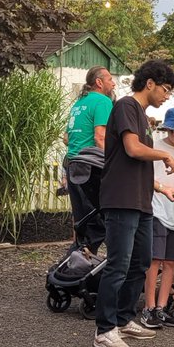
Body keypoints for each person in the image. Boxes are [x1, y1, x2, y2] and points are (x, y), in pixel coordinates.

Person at [92, 60, 174, 347]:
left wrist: (161, 188)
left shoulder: (142, 116)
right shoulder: (127, 106)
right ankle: (104, 330)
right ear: (150, 83)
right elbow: (132, 149)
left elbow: (134, 161)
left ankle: (123, 318)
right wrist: (164, 156)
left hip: (142, 201)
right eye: (166, 89)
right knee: (118, 264)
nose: (167, 96)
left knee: (141, 262)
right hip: (121, 199)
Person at [139, 106, 174, 330]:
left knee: (171, 260)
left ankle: (162, 308)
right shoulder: (155, 146)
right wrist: (162, 188)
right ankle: (148, 307)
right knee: (154, 260)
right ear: (166, 129)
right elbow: (145, 176)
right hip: (158, 208)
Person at [62, 65, 115, 251]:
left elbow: (66, 138)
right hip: (91, 168)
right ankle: (83, 267)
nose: (114, 83)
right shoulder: (102, 101)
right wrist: (114, 164)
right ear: (99, 82)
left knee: (84, 221)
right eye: (110, 79)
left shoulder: (79, 104)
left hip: (73, 165)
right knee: (100, 223)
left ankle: (76, 265)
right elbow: (100, 137)